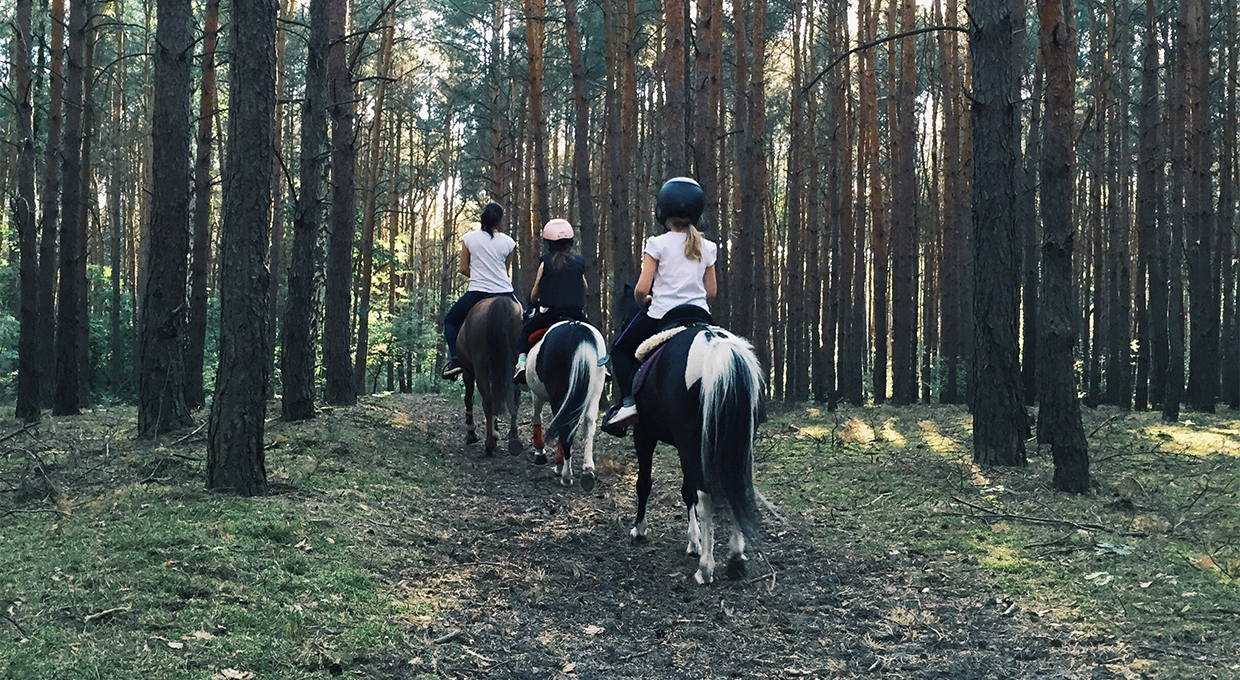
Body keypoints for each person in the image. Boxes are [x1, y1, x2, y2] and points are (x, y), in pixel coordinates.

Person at [603, 177, 717, 434]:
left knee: (620, 350)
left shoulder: (657, 244)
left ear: (663, 210)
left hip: (662, 316)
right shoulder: (708, 247)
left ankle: (629, 404)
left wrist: (644, 301)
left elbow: (642, 290)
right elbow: (711, 292)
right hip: (700, 316)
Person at [441, 202, 517, 379]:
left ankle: (455, 360)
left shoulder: (469, 238)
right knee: (524, 320)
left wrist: (478, 275)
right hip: (504, 292)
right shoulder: (509, 242)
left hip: (477, 292)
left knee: (450, 321)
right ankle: (523, 362)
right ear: (500, 219)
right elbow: (505, 271)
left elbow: (463, 269)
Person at [514, 219, 589, 383]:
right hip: (575, 315)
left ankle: (522, 364)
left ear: (548, 243)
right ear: (570, 242)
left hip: (550, 315)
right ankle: (602, 366)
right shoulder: (579, 262)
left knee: (525, 331)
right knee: (593, 333)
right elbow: (585, 286)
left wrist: (533, 300)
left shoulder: (545, 263)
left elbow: (536, 290)